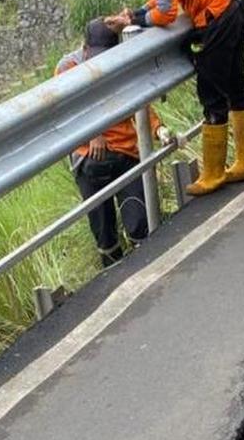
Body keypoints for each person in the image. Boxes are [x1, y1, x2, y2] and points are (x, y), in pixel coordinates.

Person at [95, 0, 244, 197]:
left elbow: (166, 11)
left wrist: (138, 19)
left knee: (211, 95)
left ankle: (214, 172)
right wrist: (135, 14)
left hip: (214, 18)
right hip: (229, 10)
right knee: (236, 88)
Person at [55, 20, 172, 268]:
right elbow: (64, 113)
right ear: (85, 48)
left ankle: (150, 270)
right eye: (96, 55)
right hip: (89, 158)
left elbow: (139, 100)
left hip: (126, 154)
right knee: (105, 236)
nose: (101, 61)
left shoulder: (121, 62)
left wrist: (158, 129)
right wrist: (93, 132)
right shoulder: (68, 68)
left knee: (140, 224)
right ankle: (115, 272)